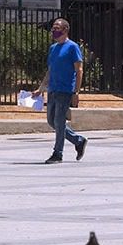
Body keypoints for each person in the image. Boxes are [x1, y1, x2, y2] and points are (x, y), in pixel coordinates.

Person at [32, 18, 88, 164]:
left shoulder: (73, 47)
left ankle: (58, 153)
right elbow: (50, 71)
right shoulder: (53, 48)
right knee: (52, 121)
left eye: (57, 28)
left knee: (59, 120)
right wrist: (41, 88)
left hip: (65, 90)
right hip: (53, 89)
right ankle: (78, 140)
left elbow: (79, 70)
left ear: (65, 30)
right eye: (53, 28)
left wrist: (76, 92)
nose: (54, 30)